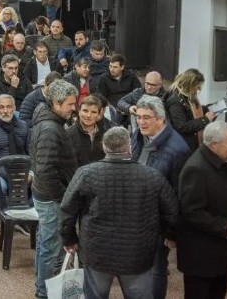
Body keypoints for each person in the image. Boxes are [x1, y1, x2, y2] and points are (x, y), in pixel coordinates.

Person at [60, 127, 179, 299]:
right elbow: (171, 211)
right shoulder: (153, 176)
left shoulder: (86, 174)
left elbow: (67, 210)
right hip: (138, 254)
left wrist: (68, 239)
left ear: (104, 147)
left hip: (97, 252)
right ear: (129, 147)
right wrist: (171, 235)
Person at [177, 121, 227, 299]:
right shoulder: (195, 169)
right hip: (201, 257)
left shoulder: (224, 161)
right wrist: (225, 226)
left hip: (219, 252)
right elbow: (191, 212)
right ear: (214, 144)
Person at [130, 95, 191, 299]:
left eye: (147, 117)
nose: (141, 122)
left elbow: (179, 194)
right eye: (139, 117)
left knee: (156, 269)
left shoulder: (178, 149)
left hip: (158, 223)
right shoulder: (139, 136)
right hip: (137, 217)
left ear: (161, 119)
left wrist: (172, 232)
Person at [29, 79, 79, 299]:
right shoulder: (50, 129)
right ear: (56, 103)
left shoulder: (49, 120)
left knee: (45, 244)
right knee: (50, 248)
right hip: (51, 199)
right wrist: (63, 197)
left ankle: (42, 288)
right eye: (70, 104)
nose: (74, 108)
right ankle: (44, 293)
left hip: (46, 195)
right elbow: (46, 171)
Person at [0, 94, 30, 207]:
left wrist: (29, 172)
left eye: (8, 107)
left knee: (42, 187)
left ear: (14, 108)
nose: (5, 111)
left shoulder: (23, 126)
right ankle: (4, 215)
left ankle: (27, 219)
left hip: (22, 168)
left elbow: (30, 151)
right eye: (1, 107)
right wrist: (8, 175)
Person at [165, 68, 215, 152]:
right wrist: (205, 120)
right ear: (189, 84)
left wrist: (205, 109)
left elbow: (189, 112)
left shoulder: (185, 96)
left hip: (188, 142)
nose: (199, 88)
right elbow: (182, 126)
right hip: (182, 145)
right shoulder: (175, 101)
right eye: (197, 85)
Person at [66, 94, 114, 167]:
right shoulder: (67, 134)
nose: (88, 115)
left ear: (99, 114)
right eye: (85, 111)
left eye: (93, 112)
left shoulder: (107, 134)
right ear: (79, 111)